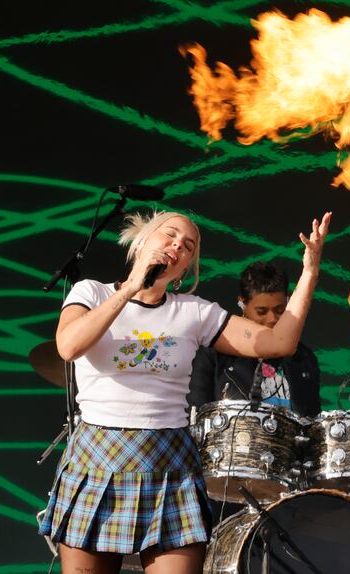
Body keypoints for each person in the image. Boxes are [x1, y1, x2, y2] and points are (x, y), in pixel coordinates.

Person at [38, 209, 331, 574]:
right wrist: (131, 288)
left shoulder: (194, 313)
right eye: (170, 236)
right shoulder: (91, 292)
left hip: (169, 463)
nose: (177, 246)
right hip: (99, 458)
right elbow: (68, 346)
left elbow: (279, 341)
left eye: (188, 246)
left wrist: (310, 271)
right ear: (142, 241)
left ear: (186, 269)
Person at [188, 262, 321, 419]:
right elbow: (197, 417)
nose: (272, 319)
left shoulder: (304, 358)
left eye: (280, 310)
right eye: (262, 312)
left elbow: (313, 422)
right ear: (242, 304)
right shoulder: (214, 353)